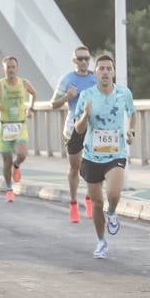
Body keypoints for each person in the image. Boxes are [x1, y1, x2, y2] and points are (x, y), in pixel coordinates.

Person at [72, 54, 137, 257]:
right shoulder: (87, 95)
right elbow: (79, 128)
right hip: (92, 155)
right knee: (97, 202)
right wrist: (84, 115)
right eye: (101, 69)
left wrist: (131, 131)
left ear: (114, 72)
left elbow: (133, 114)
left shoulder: (124, 93)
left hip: (116, 153)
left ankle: (113, 213)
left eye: (109, 69)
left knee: (113, 194)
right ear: (96, 72)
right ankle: (101, 241)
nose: (106, 72)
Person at [49, 45, 98, 222]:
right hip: (72, 126)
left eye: (87, 58)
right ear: (74, 60)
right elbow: (53, 104)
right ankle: (73, 203)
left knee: (92, 165)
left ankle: (89, 199)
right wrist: (67, 97)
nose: (84, 61)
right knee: (75, 167)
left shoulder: (95, 77)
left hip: (92, 127)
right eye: (80, 58)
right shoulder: (67, 79)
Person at [0, 56, 37, 203]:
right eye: (8, 67)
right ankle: (9, 188)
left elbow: (34, 94)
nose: (10, 70)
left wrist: (30, 108)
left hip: (20, 125)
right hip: (5, 127)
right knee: (6, 161)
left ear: (17, 68)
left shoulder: (24, 83)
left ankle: (17, 165)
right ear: (4, 69)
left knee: (22, 154)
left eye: (13, 67)